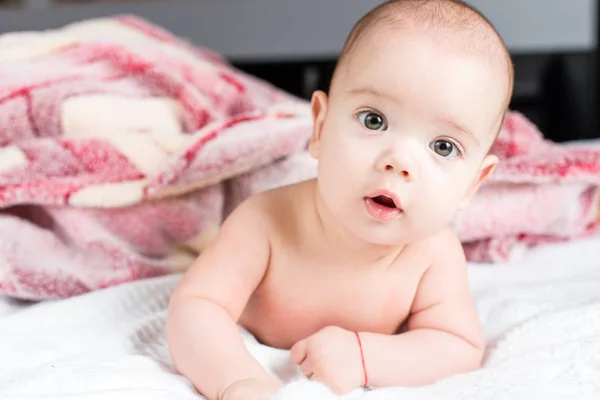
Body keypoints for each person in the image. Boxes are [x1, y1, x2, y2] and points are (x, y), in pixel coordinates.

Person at [166, 1, 514, 399]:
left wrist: (366, 358)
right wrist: (236, 380)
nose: (399, 161)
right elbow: (195, 306)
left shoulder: (433, 256)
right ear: (320, 126)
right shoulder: (265, 223)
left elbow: (457, 347)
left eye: (443, 146)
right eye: (373, 120)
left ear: (474, 183)